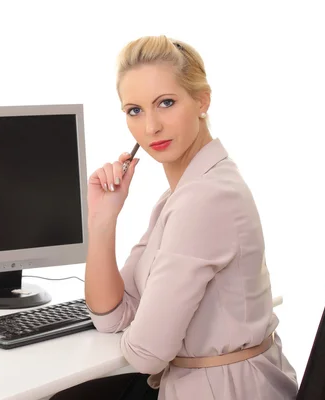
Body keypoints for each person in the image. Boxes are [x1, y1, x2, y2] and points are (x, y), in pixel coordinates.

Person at [50, 35, 299, 399]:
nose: (150, 127)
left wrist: (146, 325)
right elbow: (111, 316)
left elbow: (147, 353)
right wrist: (103, 220)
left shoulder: (206, 198)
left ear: (202, 100)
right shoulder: (180, 194)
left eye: (165, 103)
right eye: (134, 110)